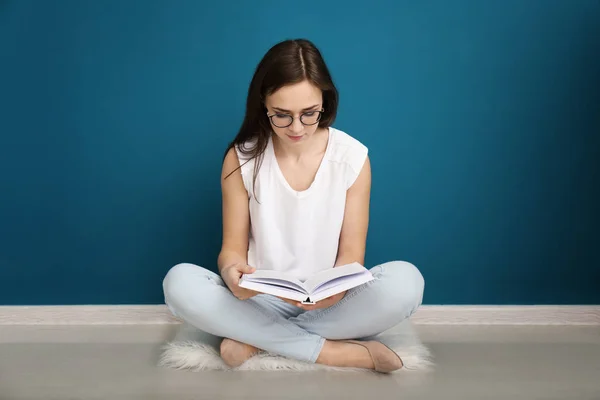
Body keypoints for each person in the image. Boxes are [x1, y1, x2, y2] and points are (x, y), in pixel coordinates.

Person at [162, 38, 425, 373]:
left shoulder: (352, 157)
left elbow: (352, 257)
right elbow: (232, 250)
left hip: (331, 306)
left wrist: (336, 292)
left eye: (309, 114)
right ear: (263, 105)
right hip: (259, 303)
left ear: (325, 102)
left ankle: (256, 341)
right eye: (282, 116)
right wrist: (232, 274)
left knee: (406, 282)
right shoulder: (240, 158)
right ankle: (337, 352)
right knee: (179, 282)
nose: (297, 127)